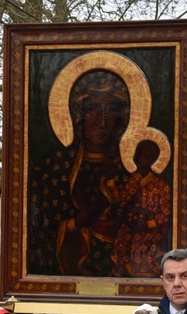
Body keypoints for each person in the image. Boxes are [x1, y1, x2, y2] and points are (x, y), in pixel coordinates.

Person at [28, 70, 131, 277]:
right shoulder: (52, 168)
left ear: (122, 119)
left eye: (110, 110)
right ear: (77, 115)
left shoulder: (129, 171)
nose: (102, 121)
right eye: (93, 109)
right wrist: (72, 225)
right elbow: (37, 231)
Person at [111, 139, 172, 277]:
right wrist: (110, 182)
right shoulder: (132, 181)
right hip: (130, 228)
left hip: (150, 232)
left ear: (152, 158)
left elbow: (166, 213)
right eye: (137, 153)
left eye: (143, 155)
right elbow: (121, 200)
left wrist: (147, 224)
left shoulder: (160, 185)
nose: (138, 157)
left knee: (143, 252)